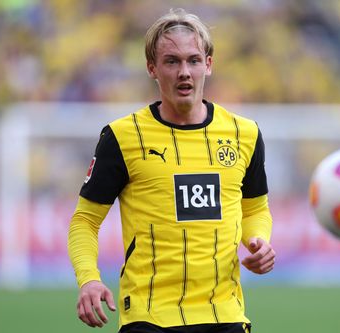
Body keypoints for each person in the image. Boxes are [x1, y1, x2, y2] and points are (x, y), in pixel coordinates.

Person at [68, 8, 275, 333]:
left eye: (193, 60)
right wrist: (88, 279)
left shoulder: (244, 134)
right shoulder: (123, 137)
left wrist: (258, 241)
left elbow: (256, 210)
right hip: (150, 319)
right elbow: (85, 220)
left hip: (226, 317)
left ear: (209, 63)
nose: (184, 72)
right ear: (152, 68)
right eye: (171, 61)